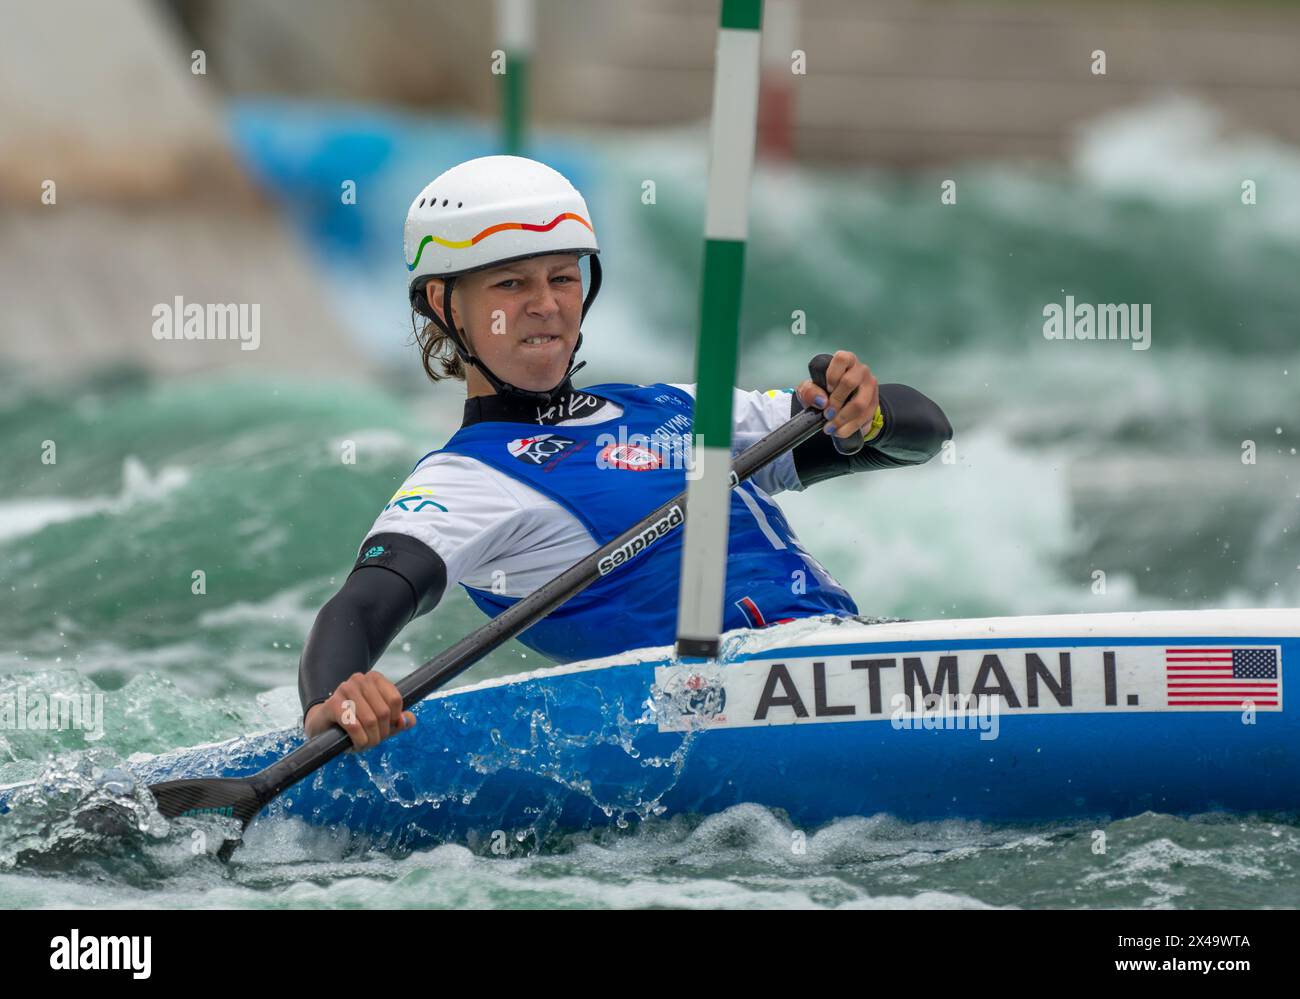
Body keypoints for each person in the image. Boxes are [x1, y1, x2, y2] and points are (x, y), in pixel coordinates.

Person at [298, 155, 952, 749]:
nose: (547, 305)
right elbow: (363, 603)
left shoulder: (677, 406)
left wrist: (863, 414)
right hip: (712, 718)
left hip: (845, 656)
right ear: (445, 304)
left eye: (562, 276)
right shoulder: (466, 477)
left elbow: (924, 430)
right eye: (510, 286)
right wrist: (336, 695)